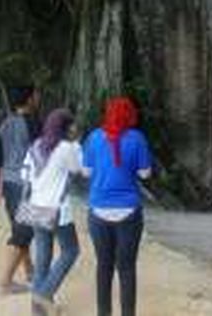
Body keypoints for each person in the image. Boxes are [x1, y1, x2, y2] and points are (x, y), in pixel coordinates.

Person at [83, 97, 152, 316]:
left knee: (104, 266)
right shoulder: (137, 138)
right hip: (129, 212)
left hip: (98, 211)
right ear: (129, 114)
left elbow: (86, 172)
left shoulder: (94, 137)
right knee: (127, 268)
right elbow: (145, 173)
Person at [23, 109, 82, 314]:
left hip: (34, 206)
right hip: (56, 209)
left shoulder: (36, 145)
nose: (75, 128)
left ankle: (37, 311)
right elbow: (78, 170)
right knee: (71, 251)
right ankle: (44, 295)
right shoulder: (67, 148)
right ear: (65, 127)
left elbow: (25, 175)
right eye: (72, 125)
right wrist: (76, 145)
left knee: (42, 260)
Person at [0, 86, 41, 294]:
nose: (38, 98)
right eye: (36, 95)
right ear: (28, 100)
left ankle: (29, 270)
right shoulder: (35, 124)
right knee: (24, 231)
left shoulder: (3, 123)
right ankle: (6, 281)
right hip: (27, 184)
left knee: (19, 227)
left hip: (9, 184)